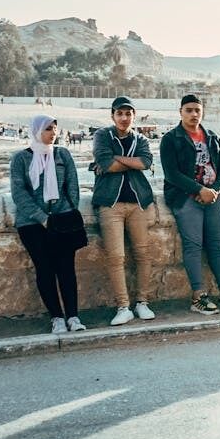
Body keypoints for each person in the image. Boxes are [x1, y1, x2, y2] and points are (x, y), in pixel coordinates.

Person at [160, 93, 220, 314]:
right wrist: (199, 190)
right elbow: (171, 174)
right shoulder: (171, 139)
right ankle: (199, 297)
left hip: (213, 199)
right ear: (180, 112)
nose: (194, 114)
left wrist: (214, 191)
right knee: (193, 247)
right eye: (189, 110)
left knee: (217, 246)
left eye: (197, 110)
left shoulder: (212, 137)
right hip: (186, 199)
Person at [10, 115, 86, 333]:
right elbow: (19, 193)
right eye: (47, 129)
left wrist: (65, 212)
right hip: (32, 223)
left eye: (54, 128)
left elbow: (72, 187)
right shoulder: (21, 159)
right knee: (44, 268)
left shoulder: (63, 154)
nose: (52, 133)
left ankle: (73, 316)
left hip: (61, 220)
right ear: (36, 131)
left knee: (66, 269)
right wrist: (41, 217)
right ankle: (57, 317)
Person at [92, 96, 157, 326]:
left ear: (134, 116)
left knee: (143, 253)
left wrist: (116, 159)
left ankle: (142, 302)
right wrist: (130, 161)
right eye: (120, 113)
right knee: (116, 256)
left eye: (128, 113)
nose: (124, 117)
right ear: (112, 116)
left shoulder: (140, 138)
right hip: (111, 204)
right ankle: (123, 306)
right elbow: (105, 163)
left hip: (138, 202)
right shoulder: (102, 135)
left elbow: (146, 162)